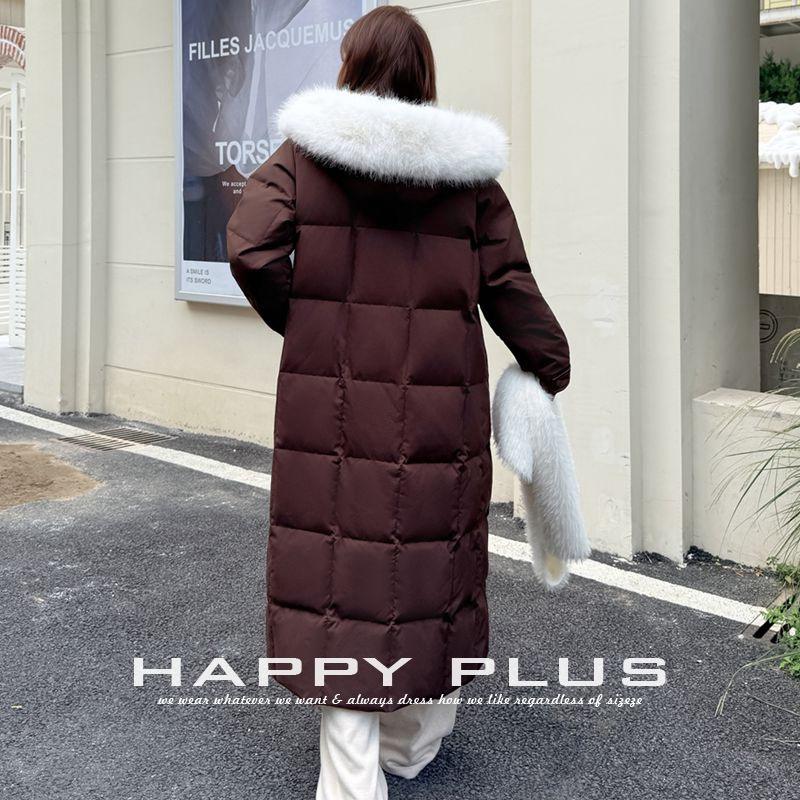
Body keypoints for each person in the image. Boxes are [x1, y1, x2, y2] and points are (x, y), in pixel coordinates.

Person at [227, 6, 576, 798]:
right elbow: (510, 285)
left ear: (351, 66)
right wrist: (549, 364)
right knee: (430, 574)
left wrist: (309, 321)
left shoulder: (305, 155)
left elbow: (250, 244)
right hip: (438, 417)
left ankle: (351, 782)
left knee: (340, 582)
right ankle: (413, 747)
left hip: (332, 413)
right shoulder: (468, 179)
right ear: (424, 76)